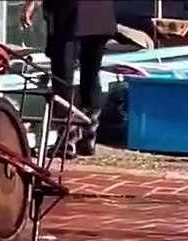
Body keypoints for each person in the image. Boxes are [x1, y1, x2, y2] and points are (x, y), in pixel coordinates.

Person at [21, 0, 118, 157]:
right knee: (91, 76)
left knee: (62, 77)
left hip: (69, 13)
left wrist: (31, 4)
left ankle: (68, 139)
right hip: (100, 13)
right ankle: (88, 135)